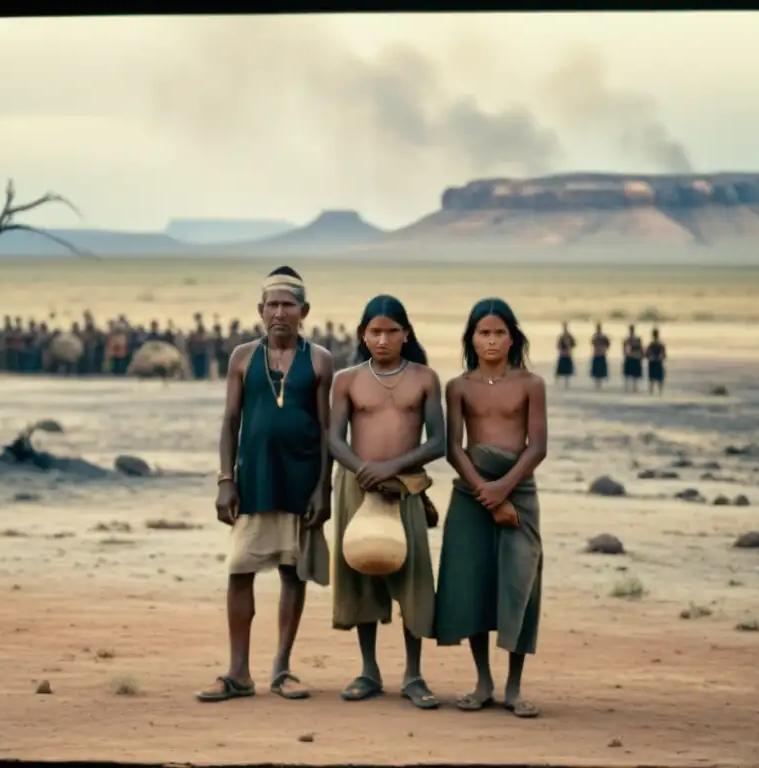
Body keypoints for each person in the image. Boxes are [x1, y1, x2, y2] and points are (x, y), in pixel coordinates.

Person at [196, 266, 333, 703]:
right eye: (271, 304)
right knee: (240, 569)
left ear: (304, 311)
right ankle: (238, 673)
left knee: (293, 573)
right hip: (254, 480)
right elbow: (230, 422)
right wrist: (225, 480)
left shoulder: (320, 360)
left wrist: (323, 489)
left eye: (287, 305)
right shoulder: (242, 357)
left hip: (301, 480)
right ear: (260, 310)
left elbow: (329, 431)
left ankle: (282, 669)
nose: (279, 313)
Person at [328, 295, 444, 710]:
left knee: (412, 577)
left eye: (391, 331)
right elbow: (333, 438)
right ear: (363, 335)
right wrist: (364, 469)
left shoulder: (425, 378)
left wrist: (392, 467)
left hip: (405, 487)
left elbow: (439, 441)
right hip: (356, 486)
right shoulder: (347, 379)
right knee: (361, 574)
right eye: (374, 331)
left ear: (405, 334)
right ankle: (368, 671)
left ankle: (413, 675)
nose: (382, 339)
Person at [434, 297, 547, 719]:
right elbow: (453, 448)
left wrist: (504, 488)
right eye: (484, 332)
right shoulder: (459, 386)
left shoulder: (531, 384)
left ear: (513, 337)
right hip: (470, 494)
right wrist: (484, 490)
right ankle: (483, 681)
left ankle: (515, 687)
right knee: (474, 585)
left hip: (518, 492)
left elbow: (537, 447)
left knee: (519, 585)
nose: (492, 340)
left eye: (500, 332)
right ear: (472, 338)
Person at [645, 328, 667, 395]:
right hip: (656, 362)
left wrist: (652, 357)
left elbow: (646, 354)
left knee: (653, 379)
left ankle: (653, 392)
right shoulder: (659, 344)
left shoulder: (652, 344)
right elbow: (664, 355)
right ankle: (659, 392)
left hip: (654, 363)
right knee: (657, 379)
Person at [622, 324, 644, 392]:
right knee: (628, 375)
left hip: (635, 358)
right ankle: (628, 388)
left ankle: (634, 387)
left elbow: (641, 349)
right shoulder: (627, 340)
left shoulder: (637, 339)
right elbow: (625, 351)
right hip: (630, 358)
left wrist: (639, 355)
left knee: (635, 375)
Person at [554, 321, 575, 388]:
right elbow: (558, 345)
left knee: (567, 370)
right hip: (563, 353)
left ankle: (566, 384)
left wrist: (569, 347)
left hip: (567, 353)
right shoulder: (562, 336)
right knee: (561, 369)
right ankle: (560, 383)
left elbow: (573, 344)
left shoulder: (568, 336)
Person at [590, 322, 610, 389]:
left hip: (601, 354)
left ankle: (600, 384)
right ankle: (596, 384)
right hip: (596, 354)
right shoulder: (594, 336)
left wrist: (603, 349)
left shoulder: (603, 337)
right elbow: (592, 343)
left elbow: (608, 345)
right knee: (596, 371)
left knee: (601, 371)